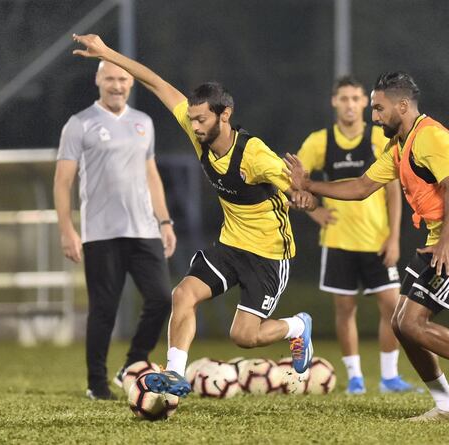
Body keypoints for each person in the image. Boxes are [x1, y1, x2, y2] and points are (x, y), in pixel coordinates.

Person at [71, 33, 316, 397]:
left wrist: (304, 198)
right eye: (193, 119)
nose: (196, 126)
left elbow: (301, 190)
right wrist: (106, 52)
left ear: (225, 115)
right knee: (183, 294)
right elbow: (154, 81)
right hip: (232, 244)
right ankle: (174, 375)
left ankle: (297, 327)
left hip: (268, 254)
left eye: (202, 119)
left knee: (244, 337)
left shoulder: (255, 155)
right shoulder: (195, 127)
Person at [285, 71, 449, 422]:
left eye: (379, 109)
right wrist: (310, 185)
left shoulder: (430, 137)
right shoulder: (399, 146)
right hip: (441, 238)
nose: (373, 116)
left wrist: (444, 243)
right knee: (400, 323)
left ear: (403, 106)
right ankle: (446, 406)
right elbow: (362, 186)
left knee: (411, 323)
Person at [54, 60, 176, 400]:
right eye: (110, 78)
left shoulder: (143, 123)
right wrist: (67, 229)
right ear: (98, 80)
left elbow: (151, 174)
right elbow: (62, 182)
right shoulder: (79, 125)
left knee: (161, 298)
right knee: (104, 310)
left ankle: (133, 364)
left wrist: (164, 221)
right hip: (101, 233)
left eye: (123, 78)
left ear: (131, 82)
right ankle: (96, 383)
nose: (117, 85)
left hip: (145, 230)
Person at [295, 75, 416, 394]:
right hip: (338, 241)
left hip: (377, 240)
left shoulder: (379, 139)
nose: (350, 104)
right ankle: (356, 378)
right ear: (334, 102)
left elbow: (394, 189)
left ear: (365, 103)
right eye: (344, 98)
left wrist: (394, 237)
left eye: (356, 99)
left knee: (392, 306)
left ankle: (389, 376)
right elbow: (293, 183)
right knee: (344, 309)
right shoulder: (320, 141)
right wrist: (316, 211)